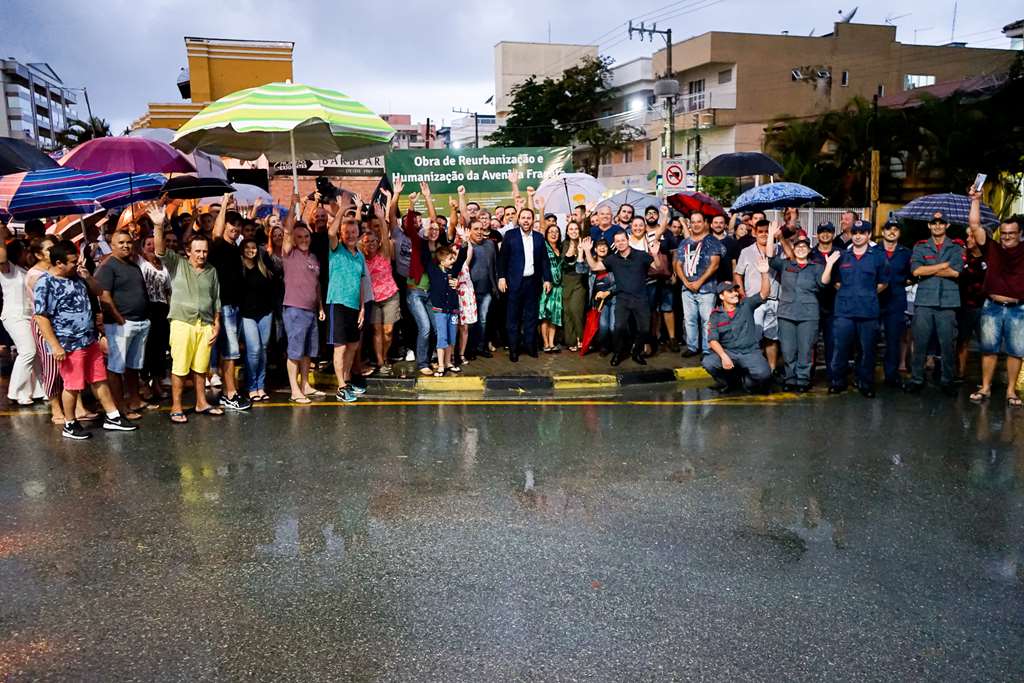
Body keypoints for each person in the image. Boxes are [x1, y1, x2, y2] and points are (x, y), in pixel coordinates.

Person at [32, 240, 137, 439]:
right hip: (68, 343)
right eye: (71, 262)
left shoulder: (77, 277)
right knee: (72, 385)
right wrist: (55, 345)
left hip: (88, 340)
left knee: (99, 379)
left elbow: (98, 291)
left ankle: (113, 417)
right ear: (58, 263)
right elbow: (41, 317)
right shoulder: (45, 283)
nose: (75, 265)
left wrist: (88, 277)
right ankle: (70, 424)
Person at [153, 205, 224, 423]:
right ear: (188, 252)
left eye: (204, 251)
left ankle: (202, 402)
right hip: (182, 323)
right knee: (180, 367)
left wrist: (217, 324)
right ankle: (176, 406)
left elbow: (216, 299)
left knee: (201, 368)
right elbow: (160, 250)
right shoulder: (177, 264)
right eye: (198, 251)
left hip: (205, 324)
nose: (202, 255)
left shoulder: (211, 270)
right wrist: (158, 225)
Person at [967, 187, 1023, 406]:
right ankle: (986, 387)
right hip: (992, 306)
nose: (1007, 236)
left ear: (1019, 233)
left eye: (1012, 233)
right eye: (1005, 233)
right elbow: (974, 225)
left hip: (1019, 308)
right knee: (988, 349)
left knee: (1016, 351)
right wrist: (975, 200)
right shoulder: (992, 249)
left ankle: (1011, 391)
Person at [766, 225, 834, 391]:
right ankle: (790, 379)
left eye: (805, 246)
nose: (801, 249)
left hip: (808, 315)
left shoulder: (817, 267)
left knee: (805, 349)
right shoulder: (786, 265)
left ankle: (803, 380)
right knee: (788, 350)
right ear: (793, 249)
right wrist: (770, 236)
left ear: (809, 250)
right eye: (798, 246)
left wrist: (830, 264)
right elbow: (770, 257)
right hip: (786, 313)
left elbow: (824, 283)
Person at [828, 219, 889, 397]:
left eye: (862, 233)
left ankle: (865, 383)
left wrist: (865, 294)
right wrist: (851, 293)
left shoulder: (878, 257)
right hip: (844, 312)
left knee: (867, 350)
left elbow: (883, 283)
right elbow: (836, 282)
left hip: (868, 311)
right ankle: (838, 382)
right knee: (840, 349)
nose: (858, 236)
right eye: (855, 233)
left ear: (868, 235)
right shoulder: (842, 257)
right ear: (851, 235)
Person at [905, 210, 963, 395]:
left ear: (947, 225)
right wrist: (942, 265)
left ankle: (947, 380)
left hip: (948, 302)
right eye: (934, 223)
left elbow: (956, 273)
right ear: (929, 225)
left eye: (941, 223)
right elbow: (915, 271)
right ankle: (916, 379)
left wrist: (928, 269)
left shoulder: (955, 247)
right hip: (924, 302)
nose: (937, 226)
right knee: (919, 343)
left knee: (947, 345)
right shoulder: (921, 247)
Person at [95, 229, 151, 419]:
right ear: (112, 245)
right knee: (116, 368)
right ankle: (120, 407)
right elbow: (104, 296)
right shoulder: (108, 267)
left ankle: (135, 400)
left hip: (141, 322)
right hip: (120, 325)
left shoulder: (133, 265)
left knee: (133, 366)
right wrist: (119, 318)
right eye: (121, 243)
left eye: (128, 242)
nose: (126, 245)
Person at [702, 256, 773, 392]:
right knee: (708, 362)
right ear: (721, 296)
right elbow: (712, 340)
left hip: (750, 352)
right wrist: (724, 356)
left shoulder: (746, 305)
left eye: (735, 290)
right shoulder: (715, 315)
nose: (735, 293)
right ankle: (729, 382)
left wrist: (764, 273)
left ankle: (747, 381)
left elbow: (764, 294)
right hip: (730, 352)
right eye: (730, 291)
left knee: (764, 374)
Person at [582, 232, 654, 366]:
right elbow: (595, 267)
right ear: (615, 243)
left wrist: (654, 254)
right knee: (618, 328)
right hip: (622, 299)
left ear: (628, 240)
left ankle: (636, 353)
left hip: (641, 298)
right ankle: (617, 353)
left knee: (644, 329)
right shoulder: (613, 259)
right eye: (618, 241)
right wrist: (586, 250)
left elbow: (658, 267)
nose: (621, 243)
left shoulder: (641, 255)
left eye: (623, 240)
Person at [280, 196, 326, 404]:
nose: (304, 239)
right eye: (300, 237)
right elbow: (288, 230)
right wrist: (292, 204)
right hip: (294, 309)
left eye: (306, 236)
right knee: (295, 351)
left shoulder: (313, 258)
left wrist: (320, 306)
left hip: (311, 310)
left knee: (308, 351)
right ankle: (294, 389)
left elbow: (316, 284)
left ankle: (306, 384)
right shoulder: (289, 253)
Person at [208, 198, 252, 411]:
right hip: (224, 306)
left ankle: (230, 391)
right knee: (230, 351)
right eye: (231, 226)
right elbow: (216, 232)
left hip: (237, 305)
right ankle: (230, 394)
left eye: (238, 227)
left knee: (233, 351)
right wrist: (224, 203)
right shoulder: (218, 245)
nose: (235, 230)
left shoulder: (236, 248)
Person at [497, 207, 552, 362]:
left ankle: (530, 346)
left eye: (529, 218)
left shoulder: (539, 237)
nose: (526, 220)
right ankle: (513, 350)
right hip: (514, 283)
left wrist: (547, 279)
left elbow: (544, 260)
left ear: (532, 220)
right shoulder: (510, 235)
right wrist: (501, 277)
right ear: (519, 220)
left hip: (532, 283)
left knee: (531, 317)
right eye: (523, 218)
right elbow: (502, 259)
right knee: (513, 318)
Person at [0, 231, 44, 405]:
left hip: (29, 315)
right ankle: (16, 392)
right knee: (28, 351)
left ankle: (36, 391)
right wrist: (0, 235)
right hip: (14, 315)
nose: (28, 253)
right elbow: (1, 258)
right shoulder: (7, 269)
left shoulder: (25, 270)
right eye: (25, 250)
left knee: (37, 354)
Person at [676, 211, 725, 358]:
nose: (695, 225)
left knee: (707, 321)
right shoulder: (685, 242)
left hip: (707, 289)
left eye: (699, 221)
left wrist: (699, 282)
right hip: (687, 289)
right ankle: (692, 346)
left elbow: (714, 264)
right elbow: (678, 264)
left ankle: (707, 349)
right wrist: (686, 282)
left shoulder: (712, 241)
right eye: (693, 222)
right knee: (689, 319)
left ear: (705, 223)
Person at [734, 219, 781, 372]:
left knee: (772, 338)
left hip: (774, 300)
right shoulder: (746, 251)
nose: (763, 234)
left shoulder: (778, 250)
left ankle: (772, 369)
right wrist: (742, 294)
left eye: (767, 231)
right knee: (754, 338)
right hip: (754, 301)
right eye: (760, 231)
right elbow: (738, 274)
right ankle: (753, 371)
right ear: (754, 233)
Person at [360, 199, 400, 377]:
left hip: (390, 295)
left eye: (373, 241)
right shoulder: (361, 258)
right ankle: (381, 362)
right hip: (372, 299)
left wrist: (382, 218)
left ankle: (384, 356)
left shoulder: (384, 252)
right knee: (376, 331)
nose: (370, 244)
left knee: (388, 331)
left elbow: (384, 233)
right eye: (367, 242)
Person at [875, 220, 913, 388]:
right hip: (874, 300)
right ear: (883, 232)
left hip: (896, 301)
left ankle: (891, 375)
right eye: (888, 229)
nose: (891, 232)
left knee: (893, 340)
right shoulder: (874, 252)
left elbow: (911, 275)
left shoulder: (906, 253)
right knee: (869, 340)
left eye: (895, 229)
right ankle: (866, 374)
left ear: (899, 233)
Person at [239, 237, 277, 402]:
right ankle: (251, 386)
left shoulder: (263, 266)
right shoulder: (239, 269)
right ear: (242, 250)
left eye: (253, 247)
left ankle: (261, 386)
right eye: (247, 248)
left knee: (262, 350)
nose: (251, 250)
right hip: (247, 315)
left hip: (265, 313)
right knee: (253, 351)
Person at [137, 233, 172, 404]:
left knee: (159, 349)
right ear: (142, 248)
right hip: (147, 308)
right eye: (148, 244)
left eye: (154, 243)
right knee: (148, 349)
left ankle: (157, 382)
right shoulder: (140, 263)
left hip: (162, 309)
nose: (151, 247)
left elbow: (167, 290)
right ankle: (144, 382)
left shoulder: (164, 265)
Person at [810, 221, 842, 386]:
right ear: (817, 234)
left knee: (833, 343)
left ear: (833, 234)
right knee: (810, 343)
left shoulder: (841, 254)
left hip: (835, 305)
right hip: (813, 304)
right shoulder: (810, 254)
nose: (825, 234)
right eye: (822, 231)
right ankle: (808, 375)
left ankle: (833, 377)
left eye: (828, 231)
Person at [956, 227, 986, 382]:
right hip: (964, 306)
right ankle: (960, 373)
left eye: (972, 236)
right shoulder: (962, 257)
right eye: (967, 236)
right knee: (962, 340)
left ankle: (985, 378)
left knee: (986, 343)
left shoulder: (989, 259)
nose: (968, 239)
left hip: (984, 307)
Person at [467, 217, 498, 359]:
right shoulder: (465, 246)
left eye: (481, 229)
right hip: (469, 291)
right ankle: (470, 349)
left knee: (483, 320)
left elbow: (496, 266)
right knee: (471, 322)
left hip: (487, 291)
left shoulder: (490, 244)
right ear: (469, 231)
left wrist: (496, 286)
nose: (479, 232)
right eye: (476, 229)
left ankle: (481, 347)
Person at [561, 221, 587, 352]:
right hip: (565, 281)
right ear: (567, 231)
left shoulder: (584, 243)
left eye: (576, 228)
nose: (573, 231)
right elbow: (563, 264)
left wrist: (581, 252)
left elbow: (585, 266)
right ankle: (570, 340)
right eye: (570, 229)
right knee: (567, 312)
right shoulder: (564, 245)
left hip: (579, 282)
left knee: (575, 309)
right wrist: (571, 250)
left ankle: (581, 337)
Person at [538, 221, 564, 353]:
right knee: (545, 316)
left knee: (555, 315)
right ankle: (545, 343)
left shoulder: (561, 248)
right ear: (546, 234)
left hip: (559, 287)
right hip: (547, 286)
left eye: (556, 232)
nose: (554, 234)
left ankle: (552, 342)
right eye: (551, 232)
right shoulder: (543, 247)